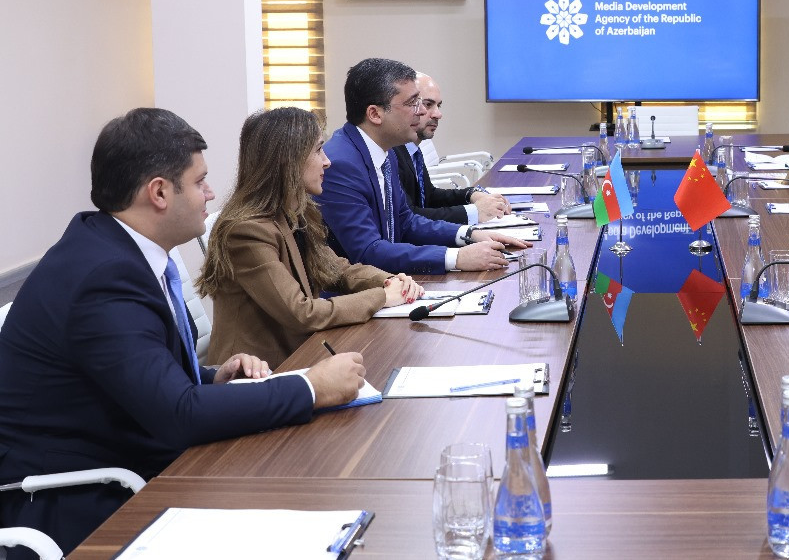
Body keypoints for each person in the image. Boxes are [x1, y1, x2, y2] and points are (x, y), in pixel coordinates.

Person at [0, 108, 365, 558]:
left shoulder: (117, 249)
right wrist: (311, 387)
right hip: (85, 497)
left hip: (136, 460)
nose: (211, 194)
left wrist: (212, 376)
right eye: (199, 182)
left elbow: (135, 375)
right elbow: (178, 415)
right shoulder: (104, 276)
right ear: (158, 192)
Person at [198, 107, 426, 368]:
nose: (327, 161)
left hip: (300, 355)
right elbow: (302, 313)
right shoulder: (246, 231)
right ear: (288, 160)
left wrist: (388, 281)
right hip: (256, 376)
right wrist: (383, 297)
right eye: (318, 150)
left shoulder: (293, 212)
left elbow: (337, 270)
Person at [315, 58, 528, 275]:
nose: (420, 112)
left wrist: (469, 234)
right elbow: (368, 251)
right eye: (412, 103)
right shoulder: (339, 164)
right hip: (353, 296)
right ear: (375, 114)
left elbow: (405, 222)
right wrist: (456, 257)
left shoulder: (385, 151)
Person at [391, 73, 510, 225]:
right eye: (427, 104)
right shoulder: (392, 152)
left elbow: (429, 196)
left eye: (438, 106)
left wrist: (471, 194)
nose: (438, 114)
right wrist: (474, 212)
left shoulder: (412, 148)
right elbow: (409, 216)